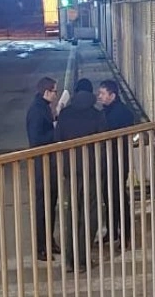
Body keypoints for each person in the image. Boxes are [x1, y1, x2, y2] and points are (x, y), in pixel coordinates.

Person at [56, 78, 107, 272]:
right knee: (90, 214)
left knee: (72, 214)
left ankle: (70, 260)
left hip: (71, 172)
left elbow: (57, 140)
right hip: (92, 172)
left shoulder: (65, 115)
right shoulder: (97, 115)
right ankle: (83, 259)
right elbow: (104, 144)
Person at [97, 79, 136, 249]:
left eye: (102, 93)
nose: (99, 96)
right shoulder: (107, 111)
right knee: (108, 196)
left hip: (118, 160)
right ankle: (111, 231)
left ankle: (125, 235)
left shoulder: (122, 113)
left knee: (119, 198)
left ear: (112, 95)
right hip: (108, 160)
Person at [26, 76, 60, 260]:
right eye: (54, 91)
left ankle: (49, 241)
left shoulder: (44, 107)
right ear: (47, 91)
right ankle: (41, 247)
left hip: (49, 164)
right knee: (43, 206)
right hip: (42, 164)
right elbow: (36, 139)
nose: (56, 95)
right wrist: (55, 130)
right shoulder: (36, 111)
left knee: (51, 204)